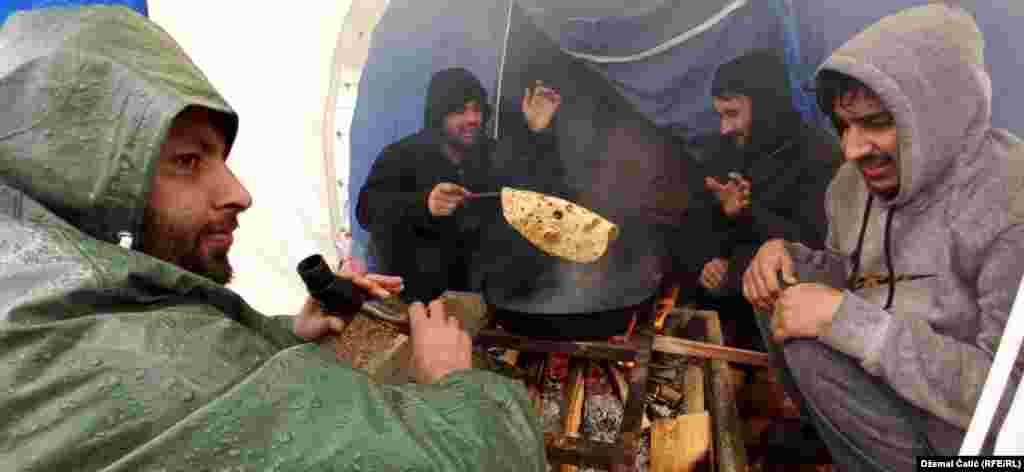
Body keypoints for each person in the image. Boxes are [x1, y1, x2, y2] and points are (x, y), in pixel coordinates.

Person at [0, 6, 544, 472]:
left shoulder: (38, 280)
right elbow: (371, 210)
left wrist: (283, 333)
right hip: (419, 288)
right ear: (82, 178)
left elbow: (528, 191)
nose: (239, 192)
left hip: (464, 287)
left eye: (477, 109)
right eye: (188, 160)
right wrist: (452, 379)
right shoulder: (403, 155)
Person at [742, 4, 1024, 470]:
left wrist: (849, 322)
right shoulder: (852, 188)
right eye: (844, 125)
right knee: (783, 294)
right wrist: (787, 258)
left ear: (939, 112)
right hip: (900, 404)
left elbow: (1010, 404)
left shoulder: (1009, 206)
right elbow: (856, 277)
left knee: (815, 341)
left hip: (987, 452)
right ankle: (839, 446)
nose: (851, 150)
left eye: (876, 123)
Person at [357, 68, 564, 303]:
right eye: (459, 111)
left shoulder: (490, 154)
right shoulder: (402, 155)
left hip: (484, 299)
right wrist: (423, 204)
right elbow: (366, 210)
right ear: (438, 115)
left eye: (477, 110)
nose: (472, 119)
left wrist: (536, 133)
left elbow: (538, 193)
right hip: (418, 300)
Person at [692, 50, 840, 349]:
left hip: (787, 315)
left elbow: (817, 250)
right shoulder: (726, 148)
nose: (725, 128)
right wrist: (713, 259)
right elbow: (703, 222)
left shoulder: (819, 155)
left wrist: (746, 213)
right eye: (720, 115)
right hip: (730, 301)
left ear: (765, 107)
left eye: (732, 114)